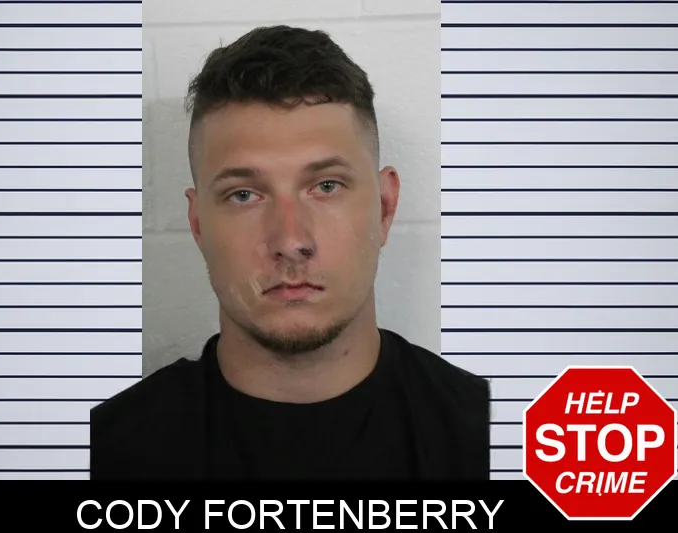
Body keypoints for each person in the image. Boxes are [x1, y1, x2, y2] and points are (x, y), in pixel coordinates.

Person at [90, 25, 490, 480]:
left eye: (326, 186)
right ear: (198, 223)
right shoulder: (100, 457)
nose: (289, 241)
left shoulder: (501, 444)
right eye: (244, 195)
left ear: (384, 207)